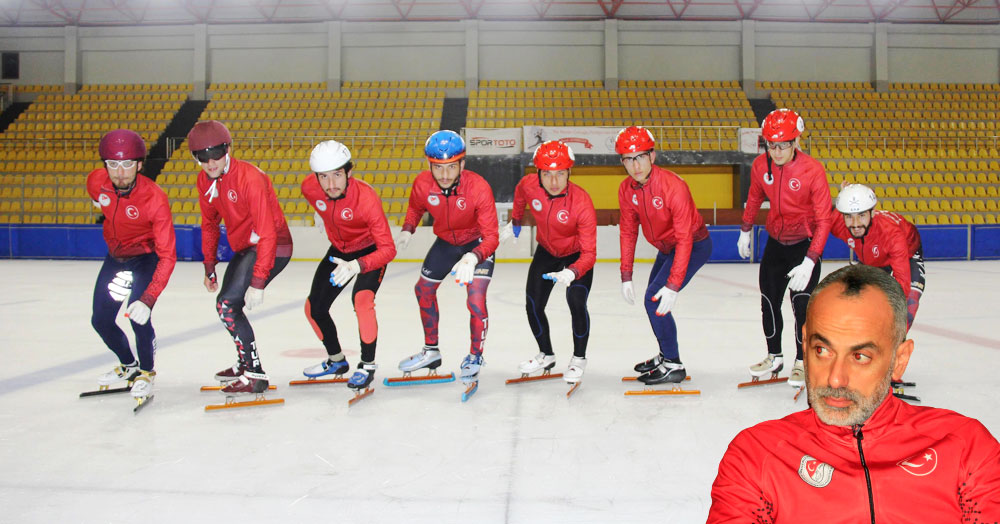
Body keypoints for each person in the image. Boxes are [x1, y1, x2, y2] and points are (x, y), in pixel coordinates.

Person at [708, 264, 1000, 522]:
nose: (835, 378)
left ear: (900, 360)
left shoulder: (965, 448)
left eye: (860, 356)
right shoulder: (757, 456)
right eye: (821, 350)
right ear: (805, 343)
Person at [189, 120, 293, 396]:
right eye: (203, 157)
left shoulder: (250, 178)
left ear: (228, 150)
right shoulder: (205, 180)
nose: (210, 163)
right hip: (247, 247)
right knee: (227, 305)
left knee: (226, 305)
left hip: (274, 245)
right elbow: (209, 224)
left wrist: (258, 281)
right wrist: (209, 265)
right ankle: (245, 363)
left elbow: (268, 233)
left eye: (216, 154)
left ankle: (255, 375)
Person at [737, 108, 833, 388]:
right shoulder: (759, 166)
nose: (777, 152)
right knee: (769, 302)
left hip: (804, 246)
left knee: (802, 307)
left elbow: (825, 219)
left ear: (796, 143)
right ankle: (774, 356)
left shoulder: (812, 170)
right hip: (775, 244)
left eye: (783, 145)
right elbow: (754, 198)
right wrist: (745, 229)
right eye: (771, 145)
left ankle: (803, 362)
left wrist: (811, 260)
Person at [395, 130, 499, 384]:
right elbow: (415, 206)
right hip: (446, 243)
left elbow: (492, 237)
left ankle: (475, 356)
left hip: (477, 244)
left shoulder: (479, 187)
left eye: (451, 167)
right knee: (423, 290)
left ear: (462, 164)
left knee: (475, 299)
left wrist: (473, 258)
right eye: (438, 168)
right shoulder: (422, 183)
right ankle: (431, 351)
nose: (443, 175)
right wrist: (408, 228)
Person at [616, 126, 713, 384]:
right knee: (652, 300)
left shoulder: (673, 187)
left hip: (693, 244)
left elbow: (684, 238)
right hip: (667, 248)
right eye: (628, 158)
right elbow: (628, 231)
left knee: (654, 299)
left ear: (652, 156)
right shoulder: (626, 190)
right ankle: (665, 354)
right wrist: (626, 274)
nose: (635, 165)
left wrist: (673, 284)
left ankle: (673, 364)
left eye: (640, 157)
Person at [87, 129, 176, 400]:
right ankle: (129, 365)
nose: (120, 172)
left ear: (139, 165)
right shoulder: (95, 182)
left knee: (138, 315)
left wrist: (148, 299)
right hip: (115, 258)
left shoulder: (154, 198)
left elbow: (168, 255)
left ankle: (147, 372)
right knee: (100, 320)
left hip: (146, 258)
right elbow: (99, 199)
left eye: (127, 164)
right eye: (113, 164)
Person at [300, 140, 396, 391]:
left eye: (337, 175)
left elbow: (388, 249)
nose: (331, 184)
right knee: (314, 308)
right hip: (339, 251)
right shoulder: (309, 189)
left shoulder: (366, 198)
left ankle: (367, 365)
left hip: (369, 250)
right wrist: (319, 216)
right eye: (323, 177)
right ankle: (336, 361)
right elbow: (321, 201)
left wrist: (358, 265)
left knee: (362, 300)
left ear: (349, 172)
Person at [500, 140, 597, 383]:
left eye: (560, 174)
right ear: (538, 173)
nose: (554, 182)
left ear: (569, 173)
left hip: (576, 254)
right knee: (532, 303)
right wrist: (516, 221)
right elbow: (520, 197)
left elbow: (590, 253)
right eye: (547, 174)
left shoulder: (582, 202)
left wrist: (573, 272)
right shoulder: (528, 185)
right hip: (547, 250)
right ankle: (546, 354)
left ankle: (578, 359)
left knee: (575, 300)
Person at [832, 183, 924, 329]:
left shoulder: (891, 234)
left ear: (872, 213)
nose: (855, 225)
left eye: (861, 215)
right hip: (874, 260)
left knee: (908, 304)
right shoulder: (839, 224)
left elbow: (902, 283)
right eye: (849, 216)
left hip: (907, 254)